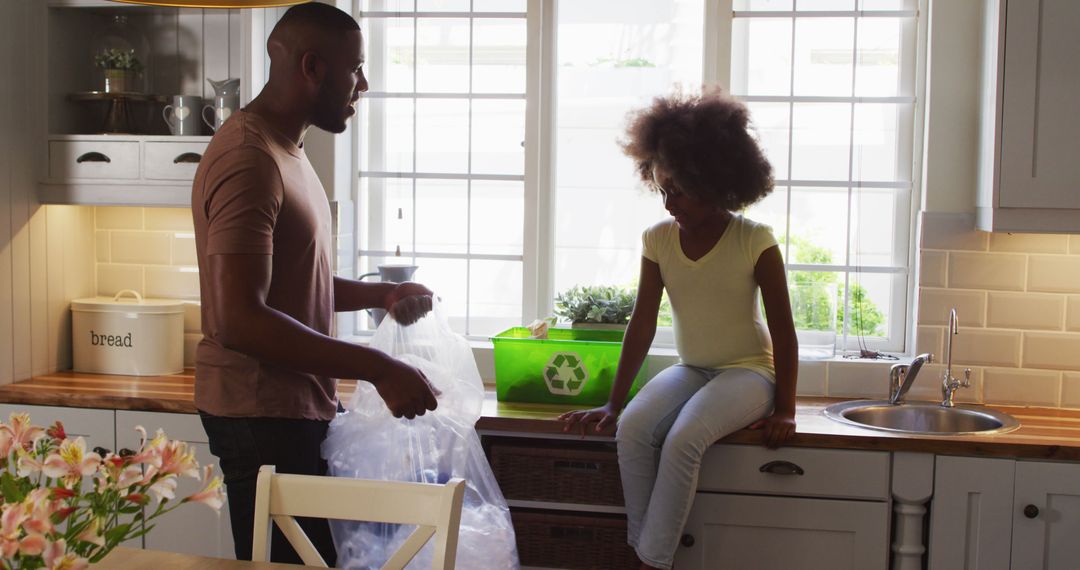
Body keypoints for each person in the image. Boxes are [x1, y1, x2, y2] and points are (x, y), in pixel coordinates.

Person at [190, 3, 438, 565]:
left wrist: (378, 296)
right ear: (312, 67)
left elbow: (296, 278)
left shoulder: (287, 150)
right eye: (357, 68)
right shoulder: (248, 158)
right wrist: (378, 367)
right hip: (259, 414)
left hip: (292, 408)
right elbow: (239, 319)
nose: (364, 84)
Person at [559, 87, 798, 570]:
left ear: (712, 180)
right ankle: (648, 552)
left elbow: (785, 331)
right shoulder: (657, 240)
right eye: (661, 189)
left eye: (679, 190)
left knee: (684, 438)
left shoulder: (755, 240)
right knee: (632, 429)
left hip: (750, 373)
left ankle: (649, 563)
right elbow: (642, 324)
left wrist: (787, 408)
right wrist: (613, 399)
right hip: (693, 368)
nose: (669, 202)